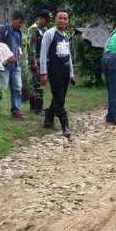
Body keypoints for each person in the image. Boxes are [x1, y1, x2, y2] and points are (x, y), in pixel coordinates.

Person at [39, 10, 75, 138]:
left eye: (65, 18)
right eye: (60, 18)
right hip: (54, 70)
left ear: (67, 21)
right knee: (59, 98)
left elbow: (68, 56)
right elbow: (43, 54)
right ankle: (65, 126)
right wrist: (43, 73)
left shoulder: (65, 36)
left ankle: (48, 120)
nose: (63, 20)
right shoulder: (49, 34)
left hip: (65, 71)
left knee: (59, 97)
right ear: (55, 19)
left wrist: (71, 73)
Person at [0, 11, 25, 119]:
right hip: (4, 65)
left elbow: (18, 46)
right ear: (13, 19)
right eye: (19, 22)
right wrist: (7, 56)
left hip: (16, 65)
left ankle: (16, 111)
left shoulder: (19, 32)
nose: (20, 25)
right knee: (1, 88)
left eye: (22, 23)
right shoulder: (4, 29)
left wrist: (18, 55)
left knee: (17, 88)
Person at [26, 9, 51, 115]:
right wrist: (33, 62)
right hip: (35, 60)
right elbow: (31, 47)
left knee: (36, 84)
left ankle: (34, 108)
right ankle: (38, 109)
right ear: (40, 18)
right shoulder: (33, 29)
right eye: (46, 20)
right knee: (38, 84)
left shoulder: (44, 29)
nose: (47, 22)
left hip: (42, 60)